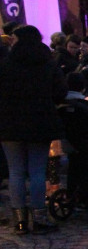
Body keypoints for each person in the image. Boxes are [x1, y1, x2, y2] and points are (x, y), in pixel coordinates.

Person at [0, 25, 67, 234]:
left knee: (16, 172)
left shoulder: (6, 65)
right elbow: (60, 92)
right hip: (39, 123)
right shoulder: (46, 64)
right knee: (38, 171)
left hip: (9, 125)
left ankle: (20, 220)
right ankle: (39, 218)